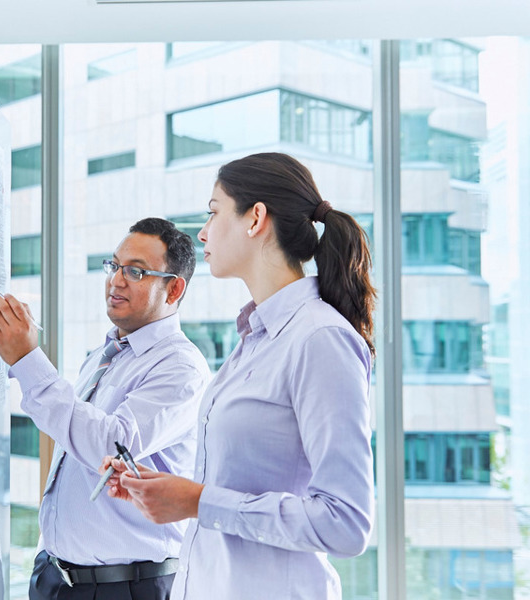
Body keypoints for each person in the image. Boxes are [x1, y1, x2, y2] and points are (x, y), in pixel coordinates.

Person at [103, 153, 376, 599]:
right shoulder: (255, 337)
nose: (203, 232)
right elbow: (236, 488)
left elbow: (345, 523)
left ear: (255, 220)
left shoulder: (319, 339)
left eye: (213, 212)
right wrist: (164, 492)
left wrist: (197, 500)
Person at [0, 217, 211, 600]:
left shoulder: (181, 368)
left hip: (122, 587)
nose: (116, 280)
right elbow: (71, 432)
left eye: (136, 271)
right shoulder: (106, 354)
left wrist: (27, 360)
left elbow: (111, 444)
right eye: (114, 265)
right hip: (55, 577)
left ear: (173, 289)